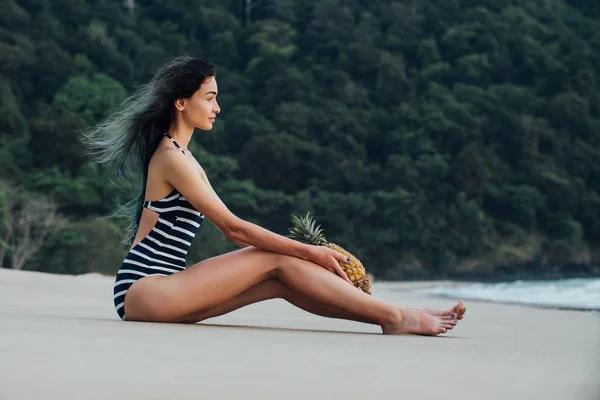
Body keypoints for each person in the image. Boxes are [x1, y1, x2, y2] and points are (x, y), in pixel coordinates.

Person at [82, 56, 466, 335]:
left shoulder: (182, 156)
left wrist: (304, 255)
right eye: (210, 97)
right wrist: (312, 251)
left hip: (161, 288)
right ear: (181, 103)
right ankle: (398, 316)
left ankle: (392, 316)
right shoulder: (171, 158)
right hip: (145, 289)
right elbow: (233, 229)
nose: (218, 107)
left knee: (282, 281)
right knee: (271, 256)